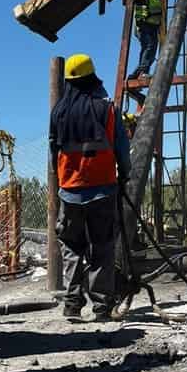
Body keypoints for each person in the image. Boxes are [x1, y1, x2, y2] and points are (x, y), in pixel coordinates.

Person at [49, 53, 131, 322]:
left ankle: (72, 304)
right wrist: (125, 175)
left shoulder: (59, 112)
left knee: (72, 247)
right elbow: (121, 146)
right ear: (92, 77)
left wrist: (61, 179)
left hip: (70, 191)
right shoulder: (107, 108)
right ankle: (101, 307)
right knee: (102, 247)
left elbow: (53, 152)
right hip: (103, 190)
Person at [122, 0, 175, 80]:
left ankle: (136, 75)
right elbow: (125, 1)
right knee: (149, 46)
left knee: (151, 50)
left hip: (153, 26)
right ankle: (142, 73)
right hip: (143, 26)